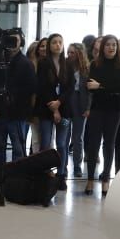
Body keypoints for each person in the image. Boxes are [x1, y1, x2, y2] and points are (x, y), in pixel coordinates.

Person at [0, 29, 36, 169]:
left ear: (21, 43)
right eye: (10, 40)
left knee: (18, 148)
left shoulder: (26, 63)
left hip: (17, 113)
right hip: (0, 111)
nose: (12, 43)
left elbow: (31, 88)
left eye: (16, 40)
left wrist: (15, 97)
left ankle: (16, 179)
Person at [83, 34, 120, 195]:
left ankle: (106, 179)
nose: (111, 48)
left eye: (114, 45)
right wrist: (105, 88)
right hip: (97, 108)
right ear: (103, 48)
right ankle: (89, 179)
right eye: (108, 45)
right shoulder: (95, 64)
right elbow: (89, 85)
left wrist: (101, 86)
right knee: (93, 144)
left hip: (114, 109)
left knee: (109, 144)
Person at [36, 34, 75, 174]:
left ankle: (61, 174)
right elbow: (42, 87)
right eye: (54, 43)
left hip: (64, 108)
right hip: (47, 107)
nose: (58, 45)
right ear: (49, 46)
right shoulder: (43, 63)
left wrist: (59, 103)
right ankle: (44, 173)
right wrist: (53, 108)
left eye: (60, 42)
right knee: (45, 143)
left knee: (61, 144)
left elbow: (70, 87)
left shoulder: (69, 63)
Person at [66, 41, 90, 177]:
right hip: (68, 101)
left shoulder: (86, 68)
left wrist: (88, 108)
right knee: (64, 136)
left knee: (78, 137)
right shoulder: (65, 66)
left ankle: (77, 166)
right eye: (68, 52)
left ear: (79, 54)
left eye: (72, 53)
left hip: (81, 103)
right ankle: (63, 166)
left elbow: (90, 92)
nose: (69, 55)